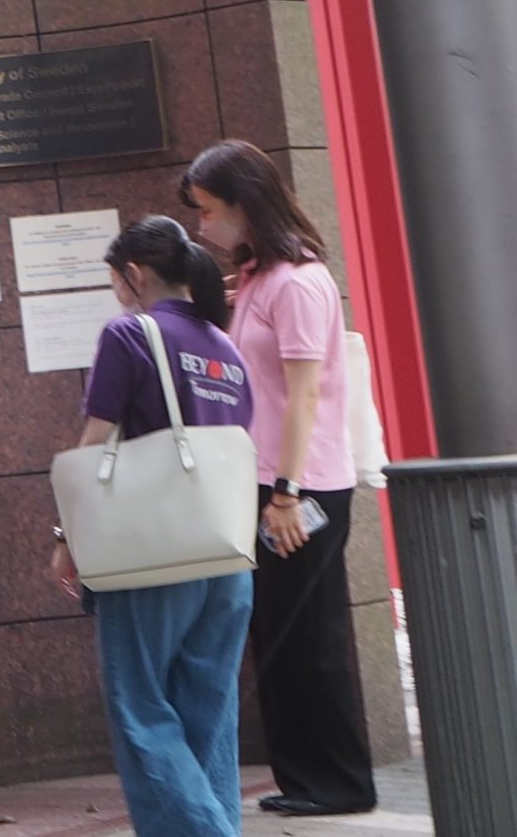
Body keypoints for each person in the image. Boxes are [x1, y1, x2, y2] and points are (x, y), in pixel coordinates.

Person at [183, 140, 378, 817]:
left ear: (245, 204)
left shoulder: (296, 281)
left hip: (302, 484)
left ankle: (339, 782)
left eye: (210, 210)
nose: (204, 226)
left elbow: (305, 394)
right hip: (266, 480)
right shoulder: (260, 277)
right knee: (279, 634)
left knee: (309, 636)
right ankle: (302, 778)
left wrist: (288, 492)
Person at [51, 216, 257, 837]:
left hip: (151, 552)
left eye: (115, 280)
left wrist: (66, 536)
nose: (117, 292)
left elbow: (96, 443)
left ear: (134, 275)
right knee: (209, 714)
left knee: (140, 709)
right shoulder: (225, 346)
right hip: (226, 554)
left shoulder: (130, 333)